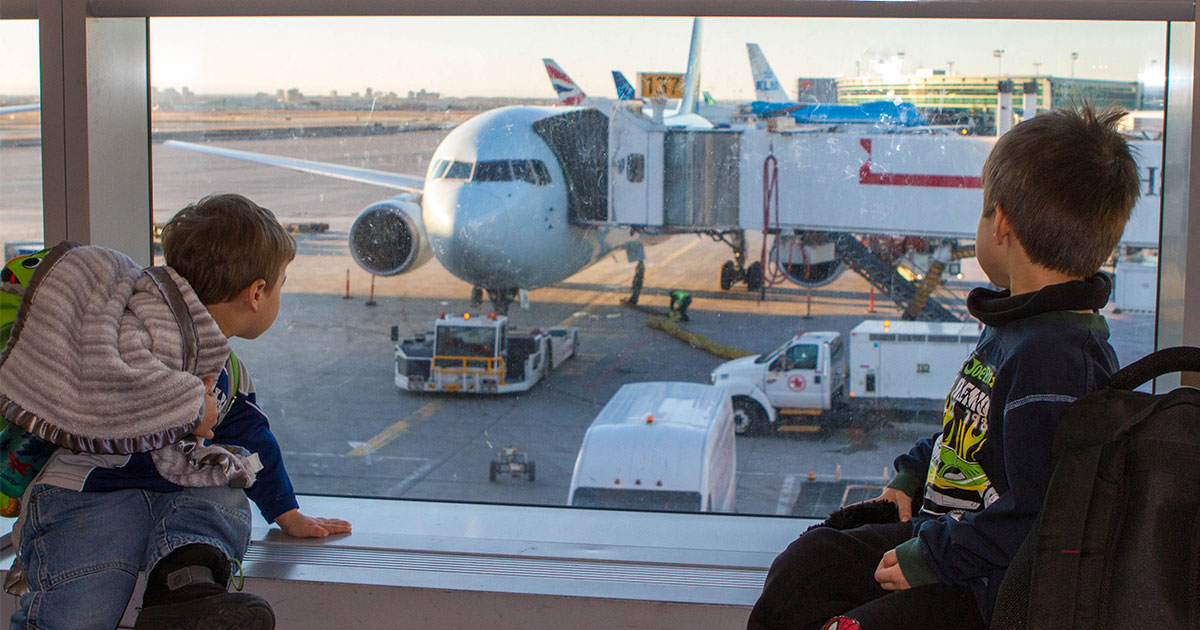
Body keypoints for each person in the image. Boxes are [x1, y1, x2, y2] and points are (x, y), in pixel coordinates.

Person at [747, 105, 1141, 630]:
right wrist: (915, 473)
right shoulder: (1018, 327)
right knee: (806, 568)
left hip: (983, 590)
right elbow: (973, 440)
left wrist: (930, 559)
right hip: (949, 540)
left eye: (983, 209)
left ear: (1000, 222)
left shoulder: (1054, 359)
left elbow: (1039, 513)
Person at [4, 194, 352, 630]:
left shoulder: (226, 368)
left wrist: (286, 512)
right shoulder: (133, 337)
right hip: (91, 491)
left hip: (170, 497)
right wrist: (186, 408)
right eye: (281, 283)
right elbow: (110, 394)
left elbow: (252, 438)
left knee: (225, 490)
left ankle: (182, 589)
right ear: (257, 294)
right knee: (81, 609)